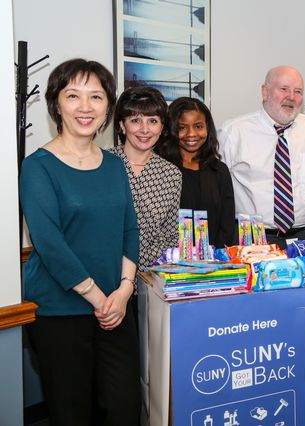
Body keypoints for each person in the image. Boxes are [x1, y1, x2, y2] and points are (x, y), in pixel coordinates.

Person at [20, 59, 140, 425]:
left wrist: (124, 289)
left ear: (108, 107)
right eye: (73, 96)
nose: (85, 107)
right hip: (61, 310)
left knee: (123, 408)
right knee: (72, 412)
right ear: (57, 104)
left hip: (116, 308)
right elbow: (50, 243)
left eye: (96, 97)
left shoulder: (114, 164)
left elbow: (129, 230)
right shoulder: (38, 166)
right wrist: (99, 298)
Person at [219, 65, 305, 249]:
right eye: (284, 89)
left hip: (304, 238)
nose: (291, 96)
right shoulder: (233, 132)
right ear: (265, 92)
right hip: (250, 240)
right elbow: (215, 187)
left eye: (298, 91)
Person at [110, 86, 182, 268]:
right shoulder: (102, 164)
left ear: (162, 127)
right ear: (121, 125)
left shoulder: (171, 174)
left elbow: (171, 234)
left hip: (152, 276)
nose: (145, 129)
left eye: (152, 121)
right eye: (135, 120)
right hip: (107, 272)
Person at [157, 97, 235, 249]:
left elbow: (227, 226)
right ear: (171, 130)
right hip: (170, 263)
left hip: (213, 264)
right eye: (182, 127)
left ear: (207, 128)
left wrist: (215, 261)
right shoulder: (161, 169)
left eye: (198, 126)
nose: (191, 134)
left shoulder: (219, 170)